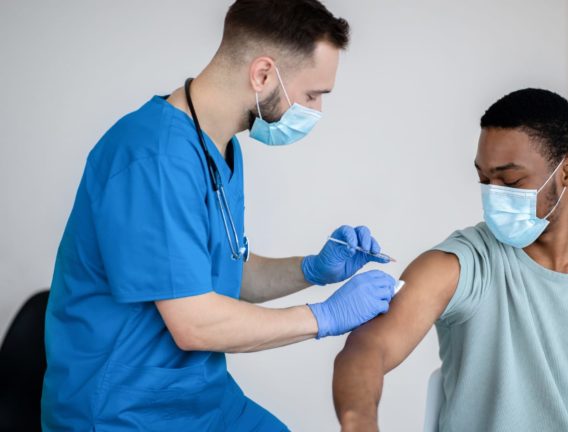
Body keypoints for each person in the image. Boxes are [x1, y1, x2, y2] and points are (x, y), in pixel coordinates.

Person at [41, 1, 396, 430]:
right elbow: (194, 324)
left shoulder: (222, 149)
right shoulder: (152, 156)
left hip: (201, 399)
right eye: (312, 94)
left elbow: (220, 273)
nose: (316, 111)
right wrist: (325, 316)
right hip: (126, 410)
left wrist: (312, 269)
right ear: (263, 74)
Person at [332, 89, 568, 432]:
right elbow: (367, 349)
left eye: (511, 180)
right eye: (484, 180)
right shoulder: (468, 262)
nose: (493, 197)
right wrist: (359, 422)